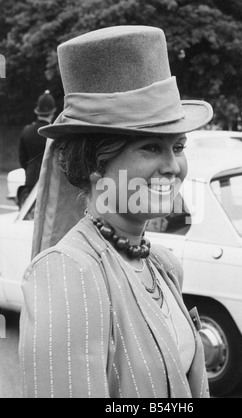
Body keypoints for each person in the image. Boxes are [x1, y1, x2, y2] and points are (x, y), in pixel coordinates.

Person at [19, 26, 213, 399]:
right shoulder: (67, 274)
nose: (173, 166)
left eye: (178, 146)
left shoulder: (164, 265)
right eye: (151, 148)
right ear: (95, 163)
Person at [18, 90, 56, 206]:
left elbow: (22, 158)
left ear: (37, 111)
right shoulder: (54, 133)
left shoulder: (26, 131)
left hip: (31, 178)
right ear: (53, 112)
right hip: (51, 181)